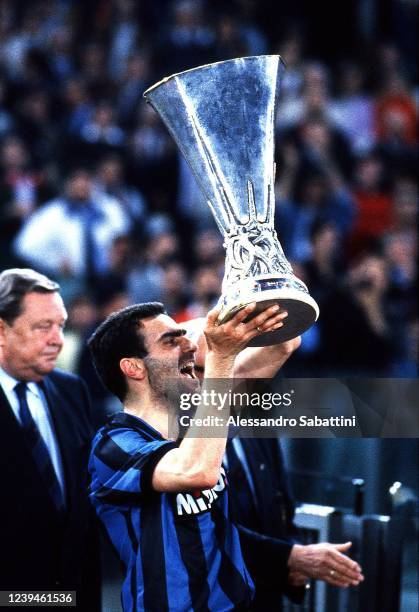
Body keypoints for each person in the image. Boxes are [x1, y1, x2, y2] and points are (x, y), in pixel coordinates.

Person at [87, 300, 286, 611]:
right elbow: (197, 471)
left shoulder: (197, 420)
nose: (191, 344)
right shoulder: (113, 444)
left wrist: (249, 288)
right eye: (171, 340)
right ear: (134, 367)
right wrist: (222, 358)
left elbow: (283, 345)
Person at [184, 318, 364, 611]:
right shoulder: (175, 439)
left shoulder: (254, 423)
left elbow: (280, 501)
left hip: (265, 594)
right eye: (204, 370)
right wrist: (290, 556)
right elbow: (204, 530)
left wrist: (293, 563)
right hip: (208, 596)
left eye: (227, 366)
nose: (217, 380)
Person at [0, 268, 100, 610]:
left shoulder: (72, 391)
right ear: (1, 330)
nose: (57, 338)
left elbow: (83, 511)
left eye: (61, 325)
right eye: (43, 326)